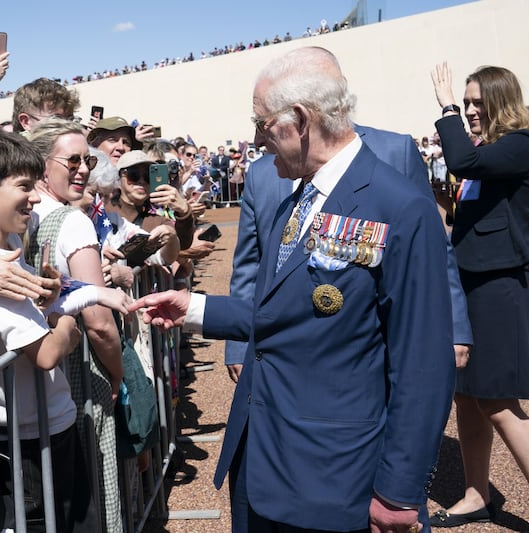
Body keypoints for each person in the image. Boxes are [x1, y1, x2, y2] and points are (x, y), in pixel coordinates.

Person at [129, 47, 456, 533]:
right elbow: (285, 310)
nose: (256, 140)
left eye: (262, 125)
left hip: (333, 474)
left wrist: (398, 492)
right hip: (263, 454)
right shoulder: (297, 199)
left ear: (300, 120)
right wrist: (194, 307)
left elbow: (424, 363)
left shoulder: (399, 206)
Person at [224, 47, 473, 386]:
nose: (257, 138)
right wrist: (238, 344)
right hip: (289, 360)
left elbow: (434, 249)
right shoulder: (263, 172)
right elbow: (249, 264)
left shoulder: (393, 151)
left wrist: (455, 324)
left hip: (373, 349)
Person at [0, 127, 130, 532]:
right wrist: (66, 323)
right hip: (29, 439)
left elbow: (42, 311)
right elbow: (46, 353)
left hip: (27, 429)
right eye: (24, 186)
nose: (34, 196)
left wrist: (60, 308)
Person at [430, 63, 529, 533]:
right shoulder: (490, 150)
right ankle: (475, 494)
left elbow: (463, 162)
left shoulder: (521, 145)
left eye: (475, 102)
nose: (468, 111)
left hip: (500, 287)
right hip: (468, 283)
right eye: (464, 103)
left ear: (501, 101)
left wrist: (443, 108)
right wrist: (444, 203)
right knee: (467, 395)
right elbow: (477, 207)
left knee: (499, 402)